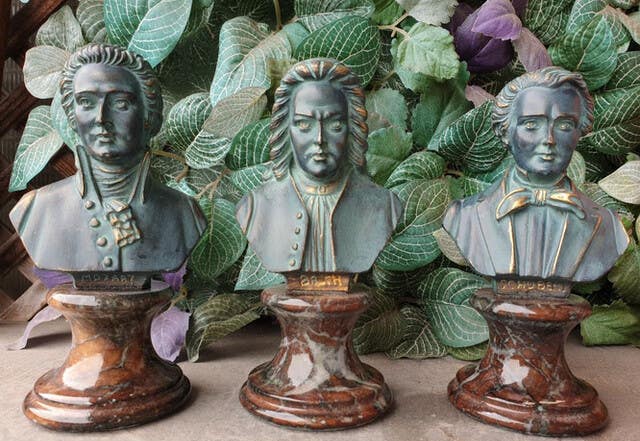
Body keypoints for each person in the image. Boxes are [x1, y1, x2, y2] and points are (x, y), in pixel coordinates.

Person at [10, 44, 206, 288]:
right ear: (72, 117)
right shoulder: (36, 210)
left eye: (120, 103)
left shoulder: (185, 215)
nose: (101, 118)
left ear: (150, 117)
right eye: (86, 102)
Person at [443, 67, 628, 284]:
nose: (549, 139)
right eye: (531, 124)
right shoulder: (465, 217)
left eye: (564, 125)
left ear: (580, 133)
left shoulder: (610, 227)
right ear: (505, 132)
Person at [235, 58, 402, 275]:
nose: (319, 139)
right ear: (285, 130)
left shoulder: (384, 207)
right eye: (304, 124)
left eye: (335, 125)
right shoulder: (254, 208)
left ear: (353, 130)